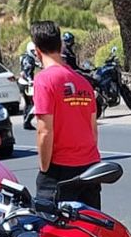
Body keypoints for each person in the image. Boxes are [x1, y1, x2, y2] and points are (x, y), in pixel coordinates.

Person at [29, 21, 104, 210]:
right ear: (61, 46)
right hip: (90, 167)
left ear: (37, 51)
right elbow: (93, 130)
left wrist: (45, 169)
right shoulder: (82, 82)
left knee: (51, 229)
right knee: (90, 228)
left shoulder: (44, 80)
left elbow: (45, 131)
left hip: (60, 170)